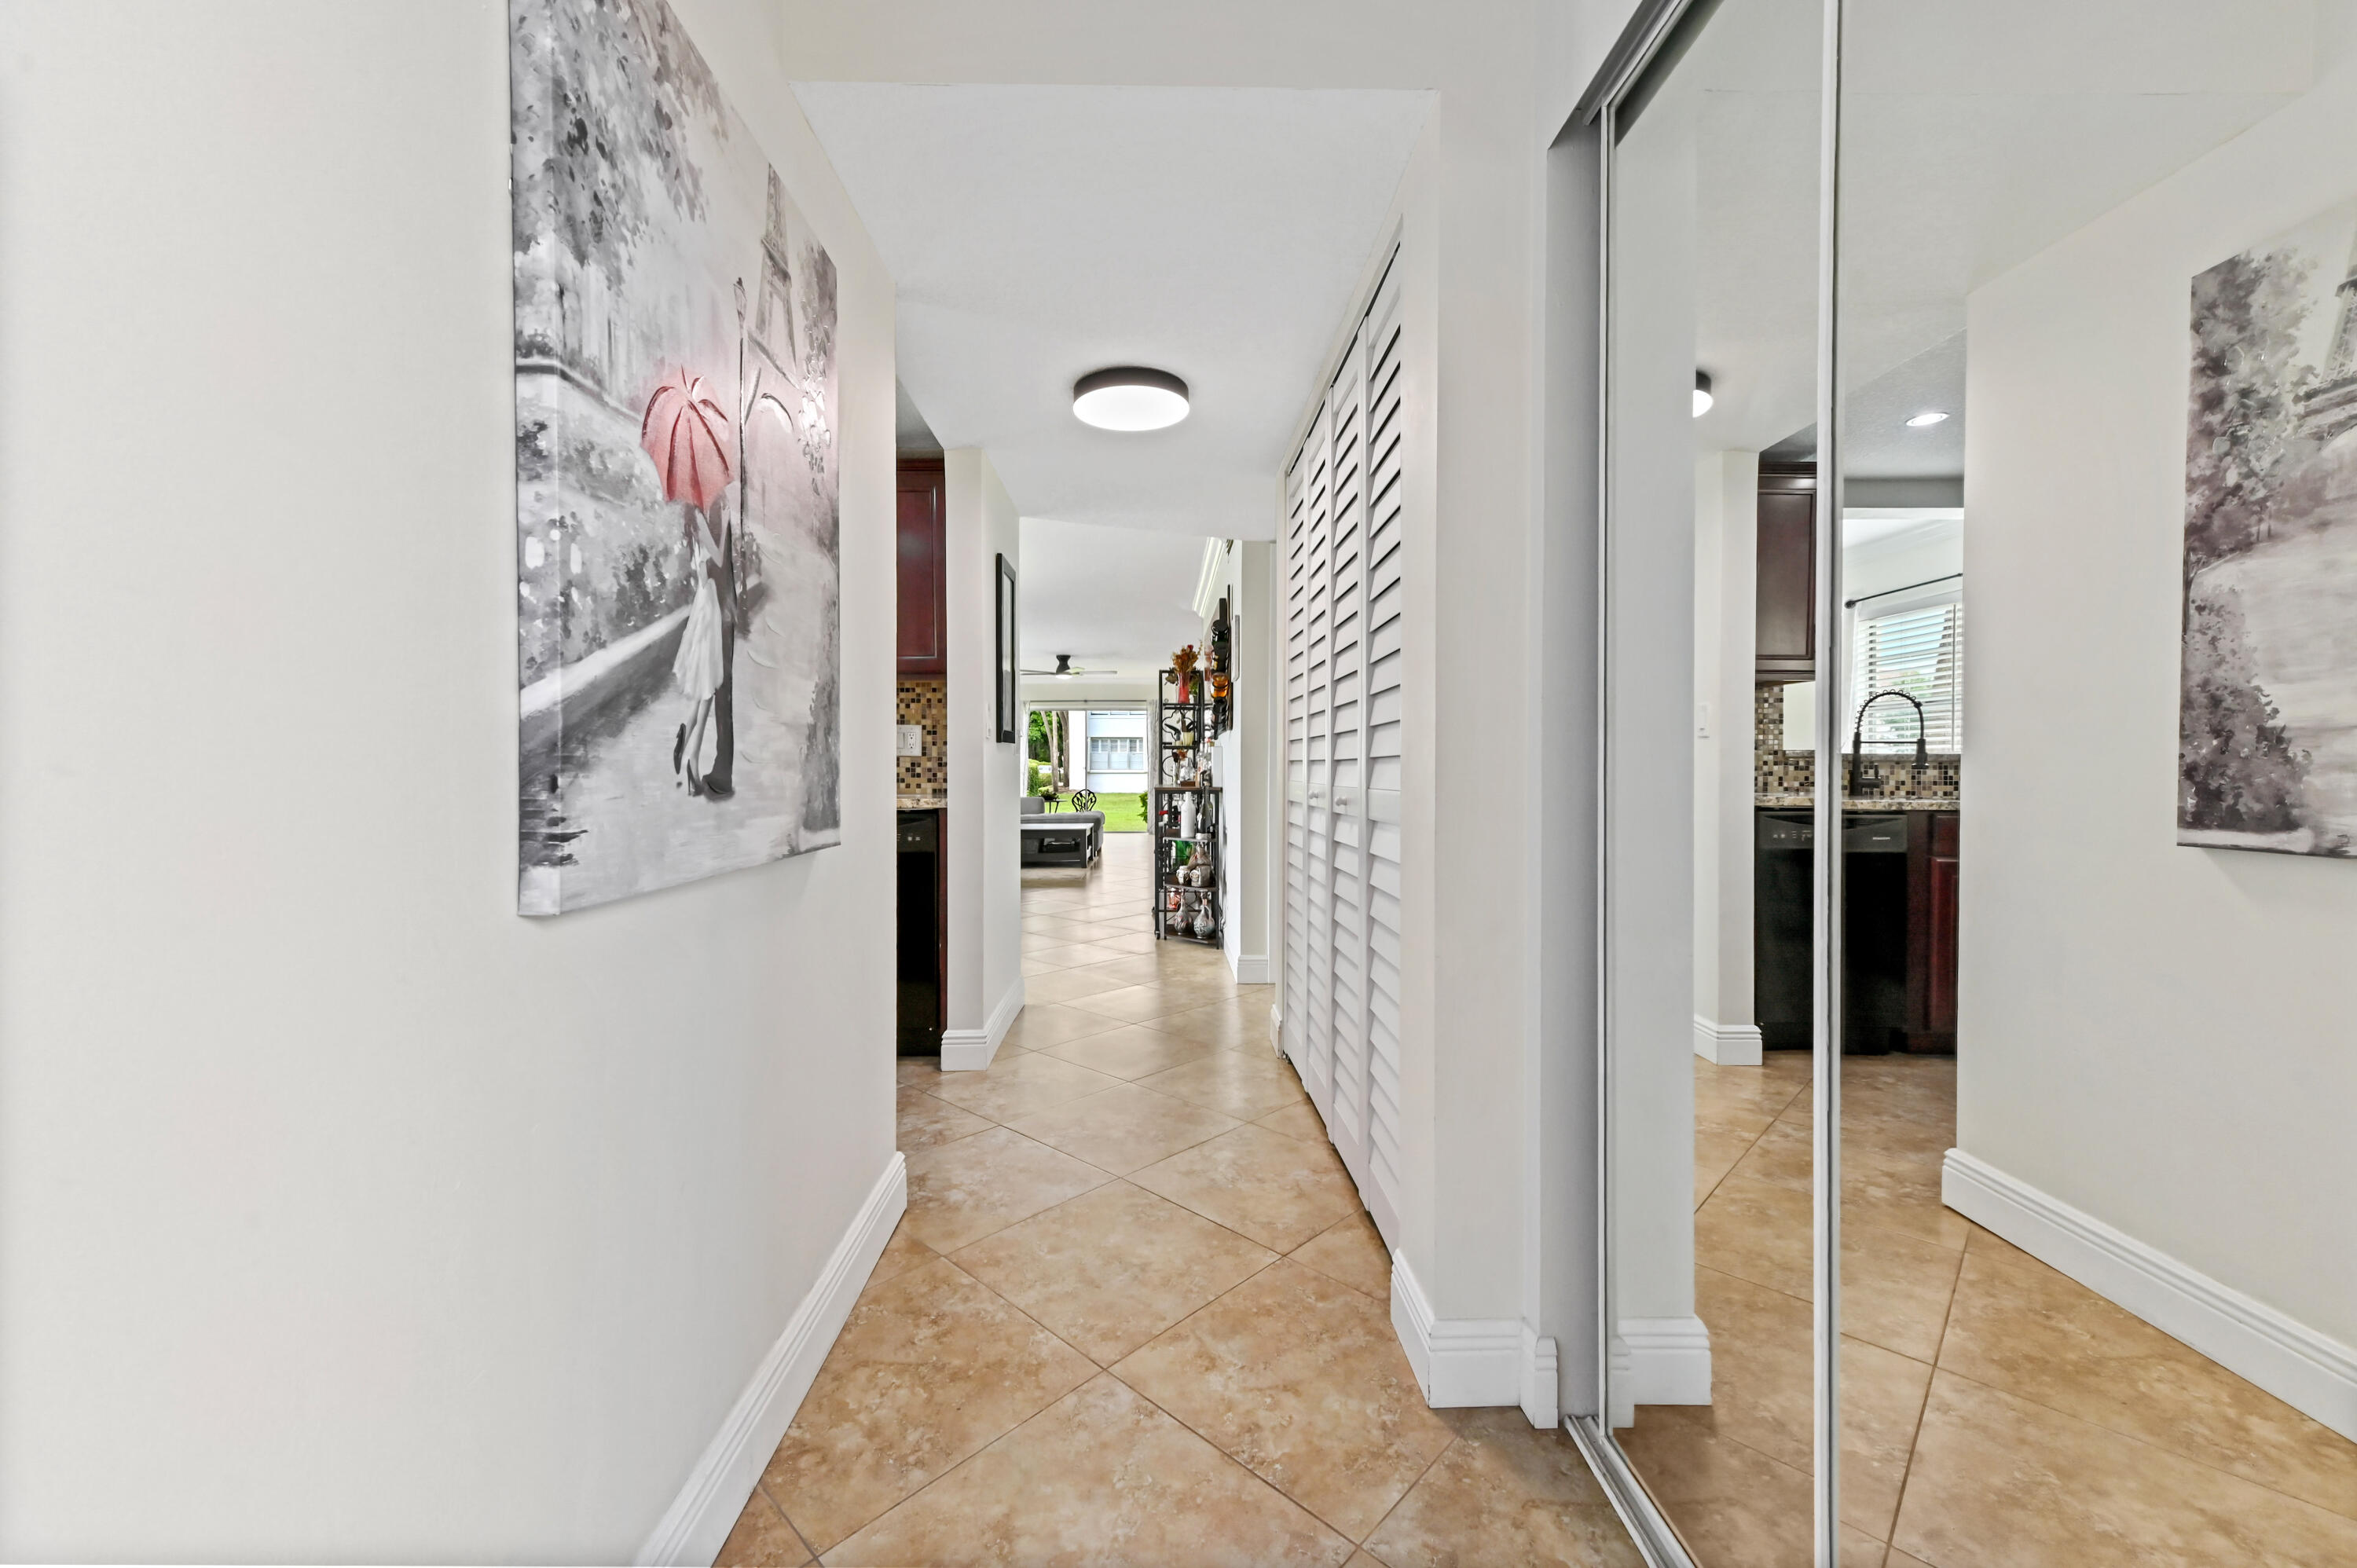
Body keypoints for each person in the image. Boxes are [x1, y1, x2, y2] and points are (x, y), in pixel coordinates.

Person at [672, 505, 728, 795]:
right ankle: (692, 761)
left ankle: (688, 745)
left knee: (707, 690)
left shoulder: (691, 531)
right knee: (708, 689)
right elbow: (718, 558)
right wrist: (727, 521)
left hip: (703, 602)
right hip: (709, 607)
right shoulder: (703, 524)